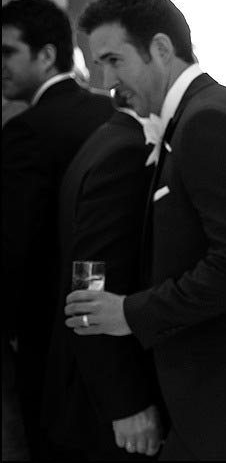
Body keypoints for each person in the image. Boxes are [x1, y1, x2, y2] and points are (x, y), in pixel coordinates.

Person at [62, 0, 226, 460]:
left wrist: (129, 313)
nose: (105, 81)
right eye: (98, 65)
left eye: (114, 61)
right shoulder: (199, 114)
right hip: (217, 396)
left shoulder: (208, 121)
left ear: (160, 48)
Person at [1, 0, 114, 460]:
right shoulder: (109, 114)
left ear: (46, 54)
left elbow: (16, 242)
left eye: (8, 52)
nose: (0, 65)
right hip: (111, 314)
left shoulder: (26, 129)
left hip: (49, 325)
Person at [41, 88, 164, 459]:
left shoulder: (106, 138)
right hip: (107, 407)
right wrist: (125, 402)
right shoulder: (126, 152)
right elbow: (89, 283)